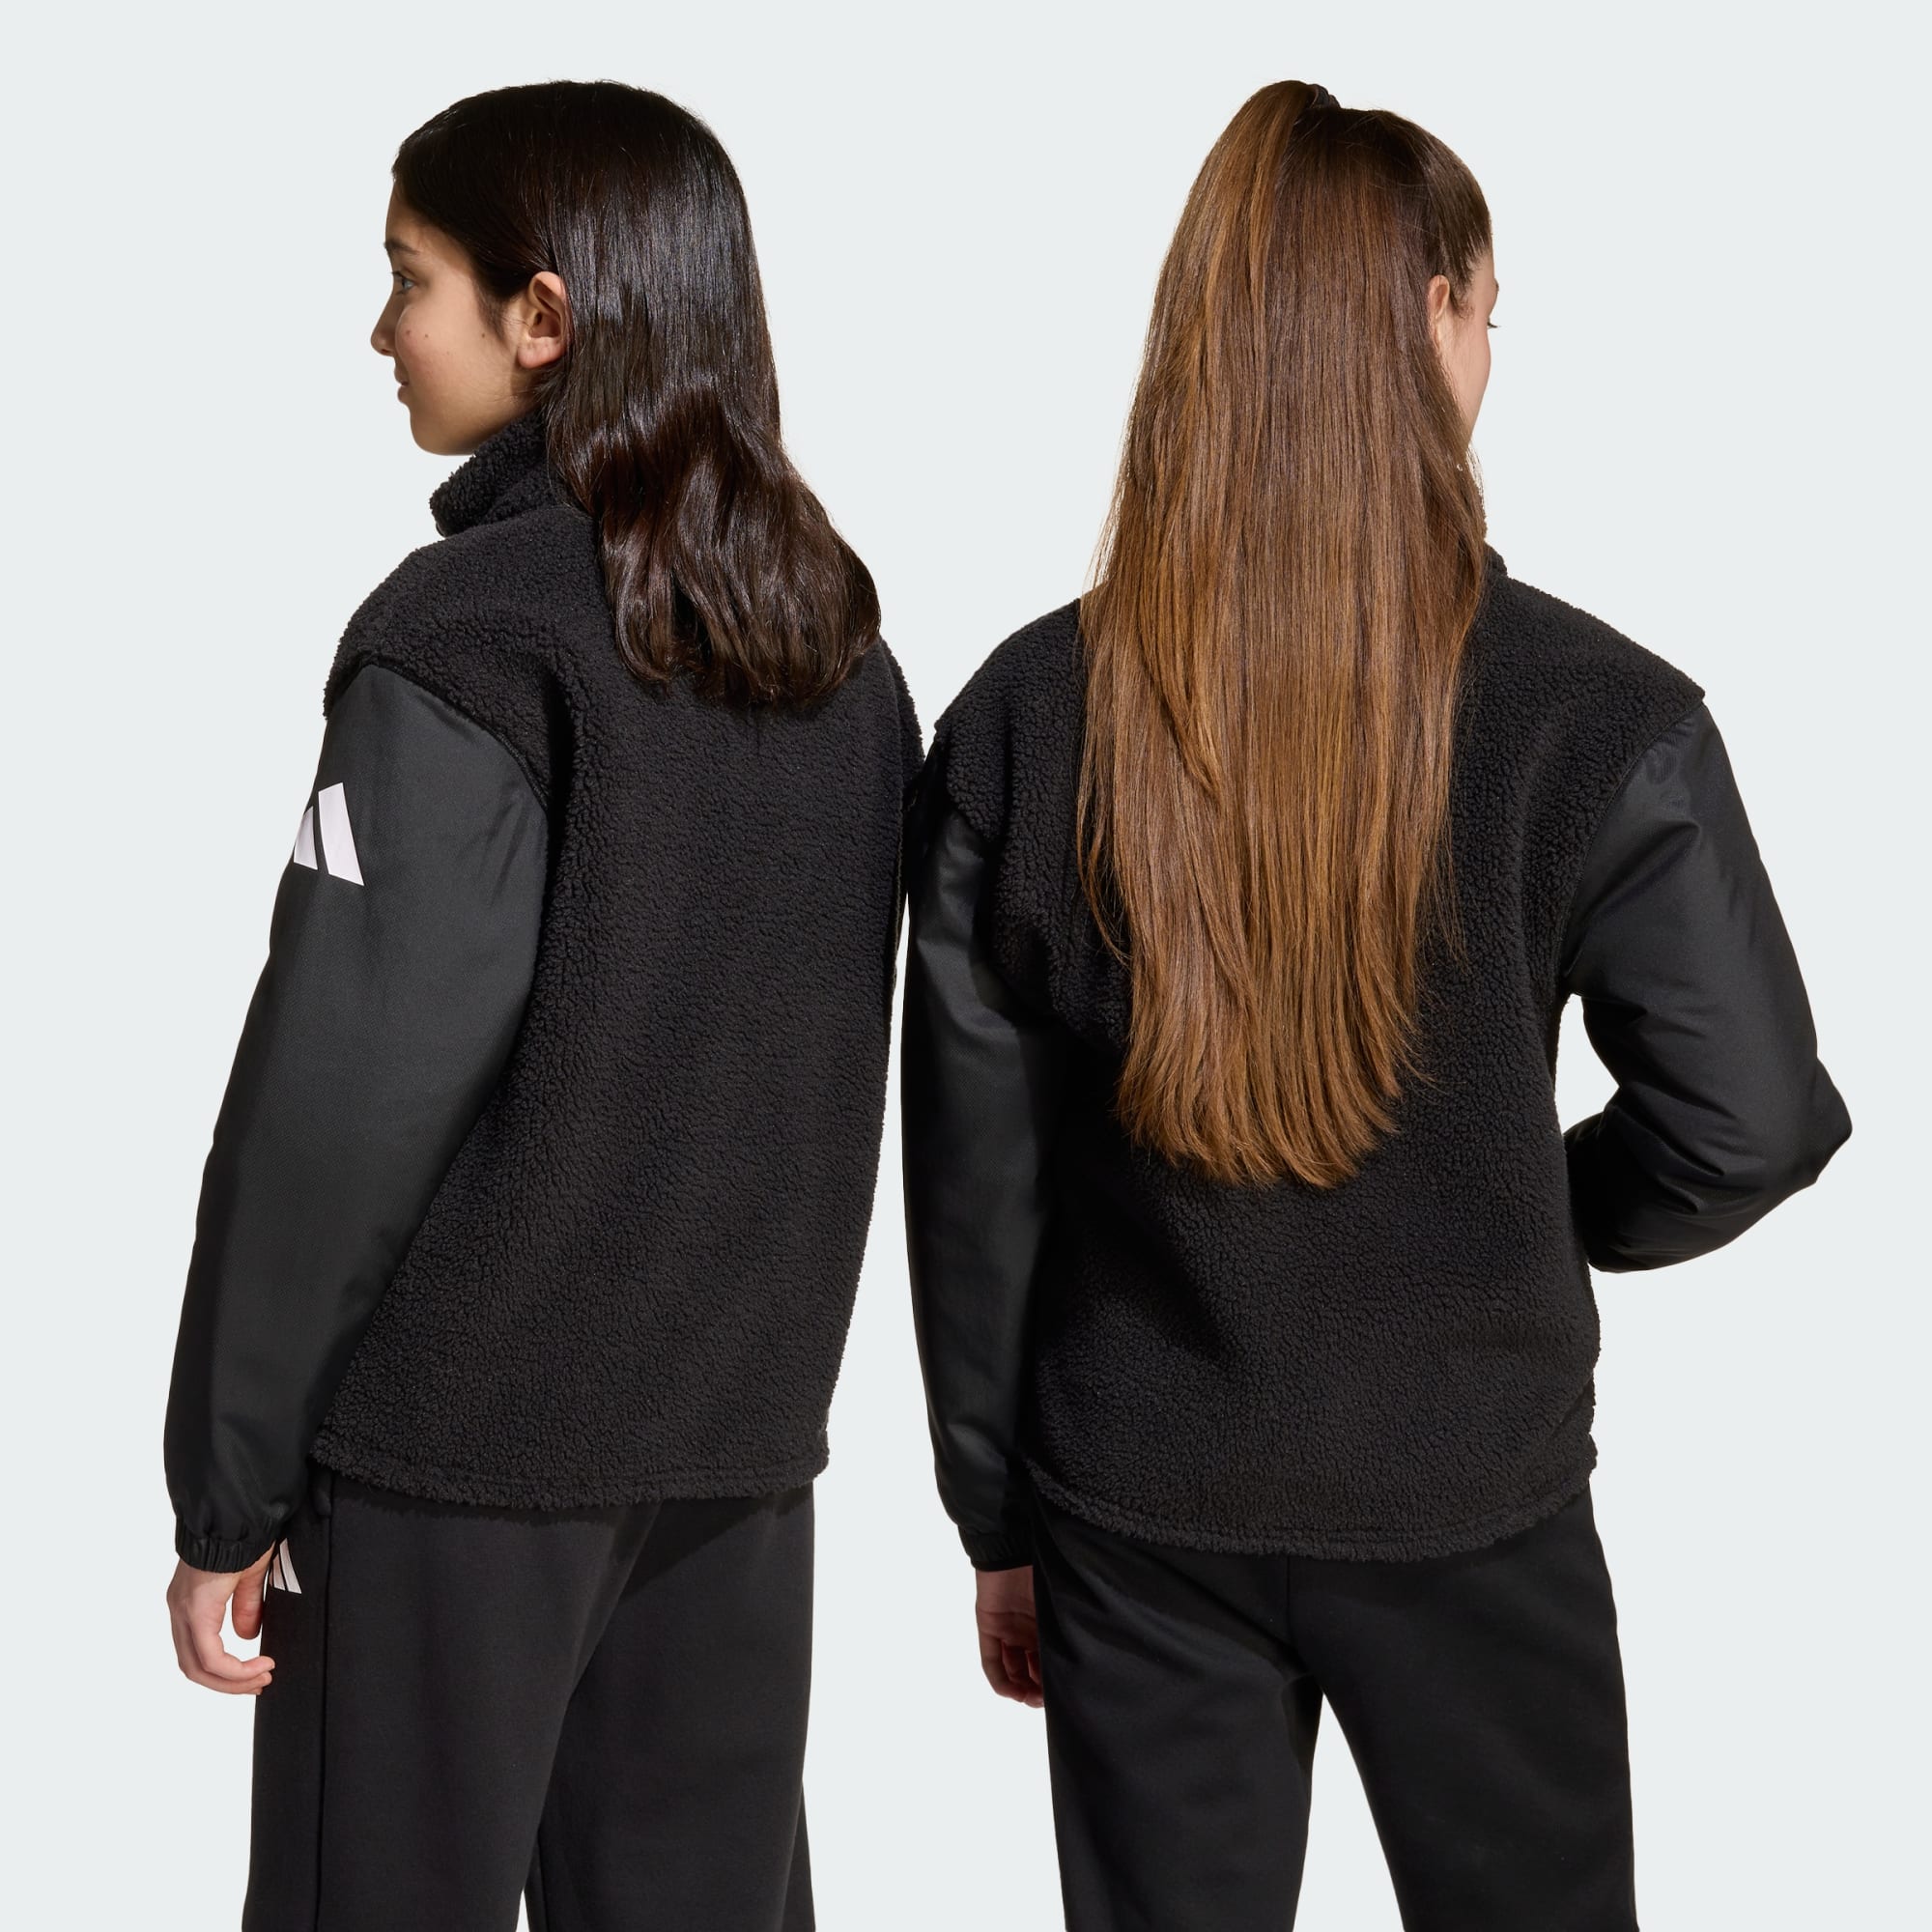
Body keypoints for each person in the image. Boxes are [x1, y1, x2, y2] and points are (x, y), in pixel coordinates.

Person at [901, 79, 1851, 1932]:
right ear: (1430, 312)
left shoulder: (1026, 714)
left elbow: (972, 1184)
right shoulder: (1598, 717)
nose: (1492, 351)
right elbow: (1749, 1119)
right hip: (1467, 1493)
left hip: (1138, 1504)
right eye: (1490, 310)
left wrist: (997, 1518)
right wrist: (1528, 1208)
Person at [162, 80, 919, 1931]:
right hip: (734, 1477)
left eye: (408, 277)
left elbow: (340, 1097)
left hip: (452, 1472)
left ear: (544, 316)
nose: (380, 330)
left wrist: (226, 1489)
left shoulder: (471, 638)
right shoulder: (839, 656)